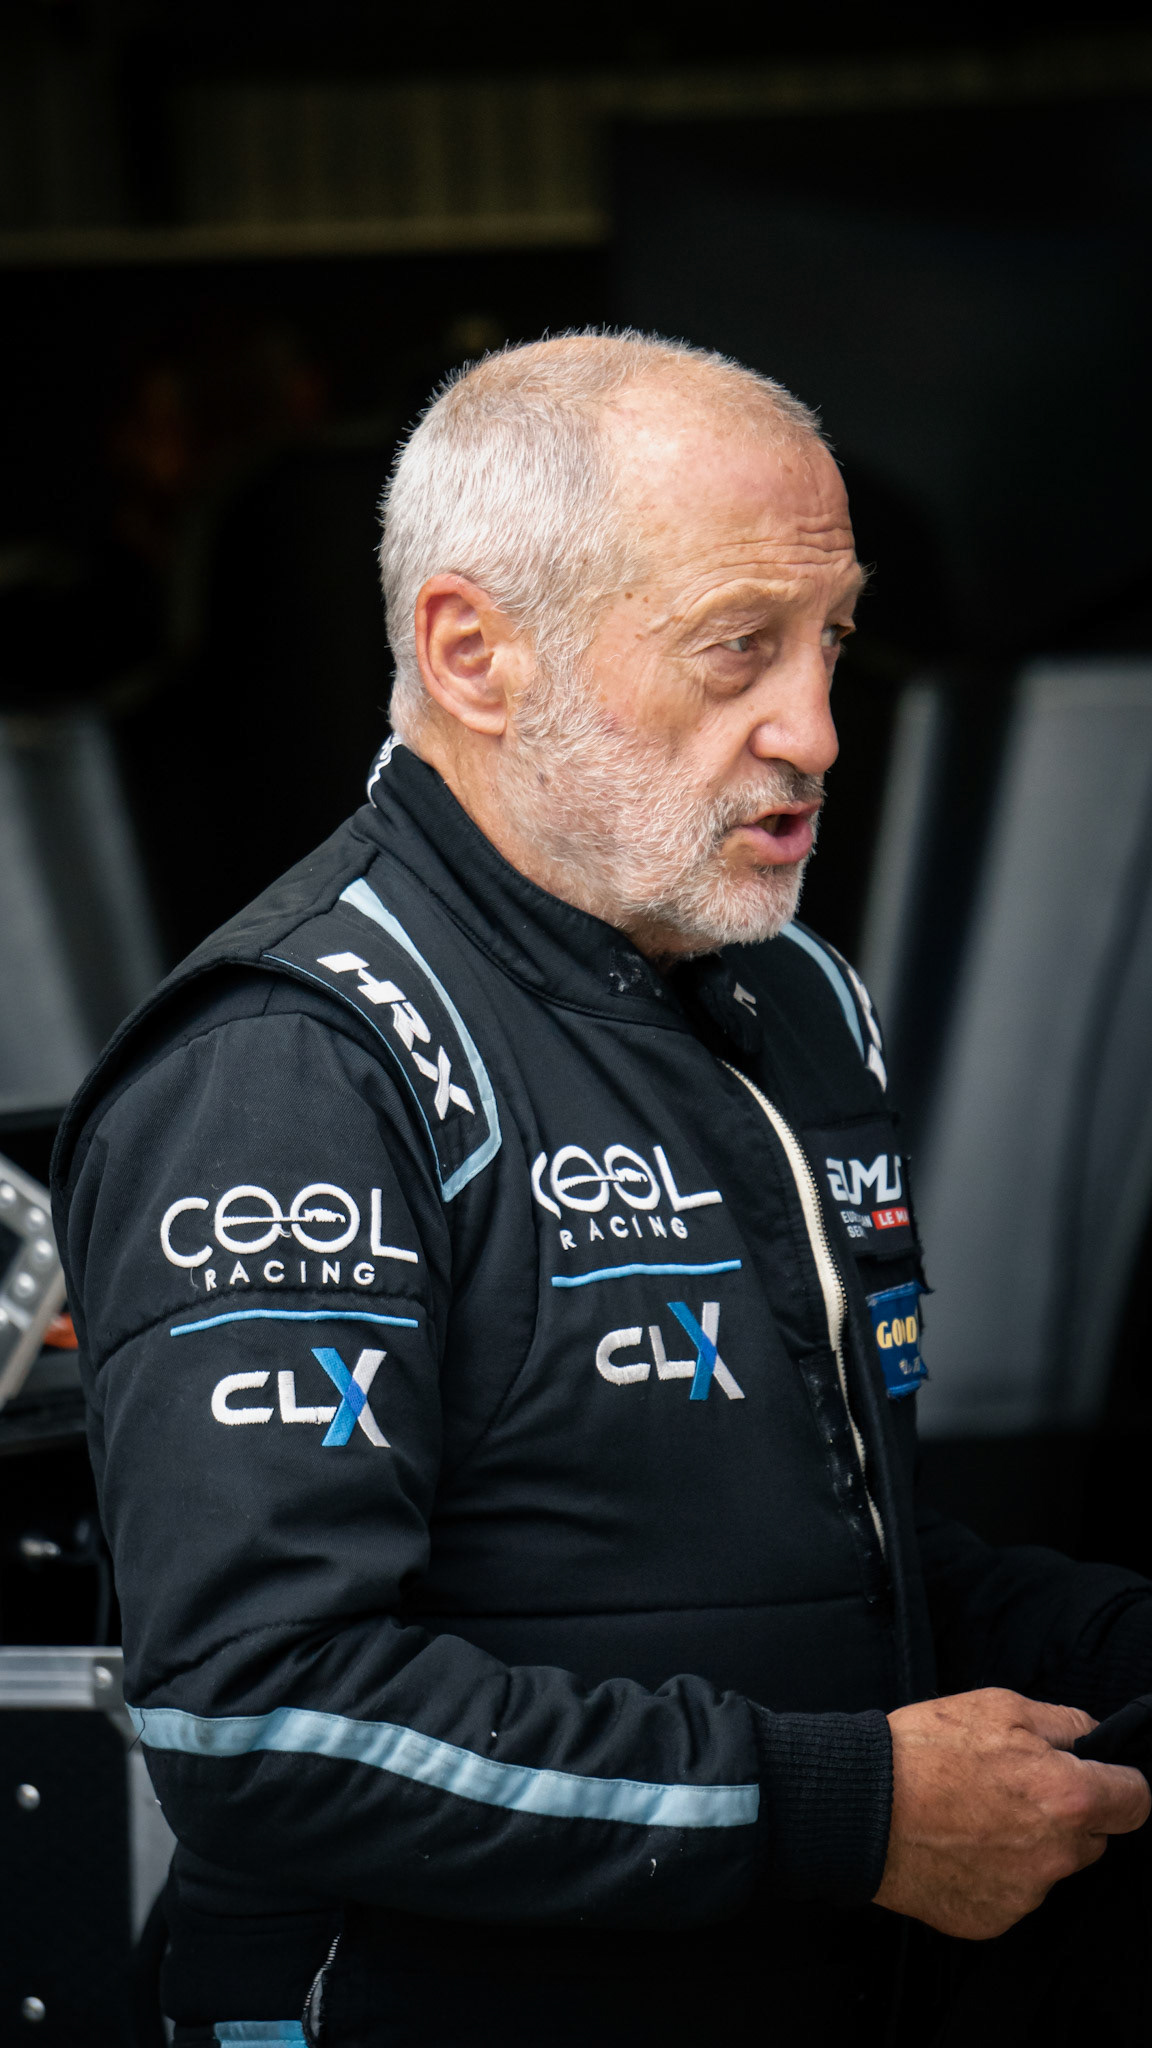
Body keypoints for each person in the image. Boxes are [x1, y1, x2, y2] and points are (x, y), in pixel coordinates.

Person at [53, 334, 1152, 2048]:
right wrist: (854, 1811)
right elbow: (257, 1716)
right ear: (475, 654)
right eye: (738, 647)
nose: (817, 728)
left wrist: (1114, 1648)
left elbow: (818, 1568)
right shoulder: (296, 1061)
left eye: (831, 639)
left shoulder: (794, 1002)